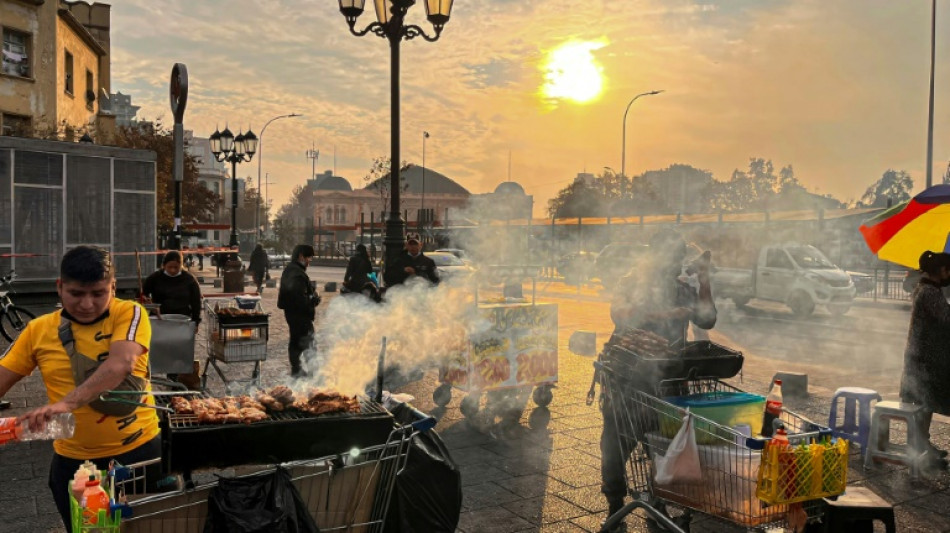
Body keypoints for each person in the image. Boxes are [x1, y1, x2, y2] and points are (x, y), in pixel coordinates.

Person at [0, 246, 162, 532]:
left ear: (113, 287)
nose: (87, 304)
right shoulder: (37, 330)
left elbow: (121, 363)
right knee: (88, 530)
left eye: (98, 293)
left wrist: (65, 404)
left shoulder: (130, 313)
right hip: (75, 462)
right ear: (60, 287)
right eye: (76, 294)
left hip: (139, 455)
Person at [598, 228, 716, 531]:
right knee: (616, 441)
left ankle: (657, 497)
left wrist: (704, 281)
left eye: (677, 260)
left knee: (663, 444)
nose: (673, 266)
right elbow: (620, 313)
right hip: (626, 374)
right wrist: (664, 315)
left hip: (667, 376)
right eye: (669, 259)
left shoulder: (682, 287)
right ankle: (614, 500)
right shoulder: (632, 282)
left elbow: (707, 319)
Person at [899, 250, 950, 472]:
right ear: (941, 271)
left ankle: (923, 444)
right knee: (923, 403)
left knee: (926, 404)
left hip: (924, 358)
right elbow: (946, 319)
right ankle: (920, 449)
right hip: (923, 360)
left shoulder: (928, 289)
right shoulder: (929, 292)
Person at [277, 244, 321, 377]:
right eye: (309, 257)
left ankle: (297, 371)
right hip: (300, 316)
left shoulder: (291, 270)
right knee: (309, 345)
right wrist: (313, 300)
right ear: (301, 256)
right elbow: (299, 299)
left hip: (293, 315)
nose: (310, 261)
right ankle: (312, 374)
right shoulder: (297, 274)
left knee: (296, 342)